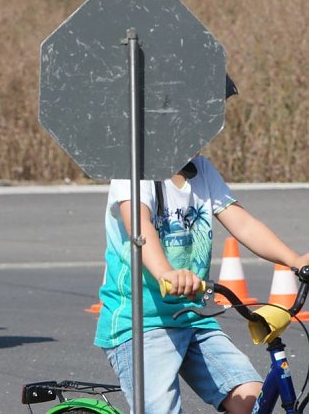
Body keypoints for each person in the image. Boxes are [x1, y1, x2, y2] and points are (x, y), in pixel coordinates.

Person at [95, 77, 309, 413]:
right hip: (142, 323)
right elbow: (140, 226)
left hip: (193, 317)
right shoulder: (135, 171)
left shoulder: (202, 171)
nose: (206, 131)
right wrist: (167, 273)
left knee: (251, 398)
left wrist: (295, 259)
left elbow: (242, 222)